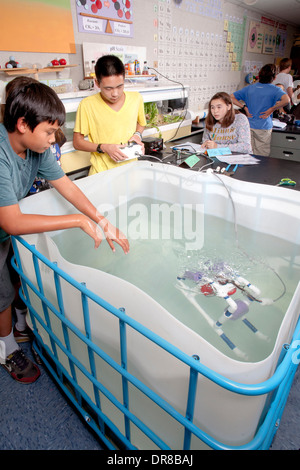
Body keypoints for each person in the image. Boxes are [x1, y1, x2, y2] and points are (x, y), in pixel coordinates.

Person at [0, 78, 129, 384]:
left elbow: (66, 186)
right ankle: (5, 349)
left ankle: (20, 327)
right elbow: (12, 222)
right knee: (2, 292)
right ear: (22, 124)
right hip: (4, 224)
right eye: (48, 131)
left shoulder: (37, 148)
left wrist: (101, 220)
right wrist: (77, 221)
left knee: (17, 275)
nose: (53, 138)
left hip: (5, 226)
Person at [73, 54, 147, 174]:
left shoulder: (136, 98)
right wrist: (104, 148)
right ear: (97, 83)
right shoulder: (87, 105)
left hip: (131, 171)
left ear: (124, 79)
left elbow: (141, 123)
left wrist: (137, 135)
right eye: (108, 88)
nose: (115, 93)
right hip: (101, 173)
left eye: (120, 86)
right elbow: (77, 142)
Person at [230, 64, 290, 156]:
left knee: (246, 153)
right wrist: (272, 108)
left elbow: (231, 97)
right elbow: (287, 100)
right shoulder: (275, 90)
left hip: (248, 125)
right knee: (261, 156)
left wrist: (244, 107)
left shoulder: (249, 88)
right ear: (274, 77)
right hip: (263, 126)